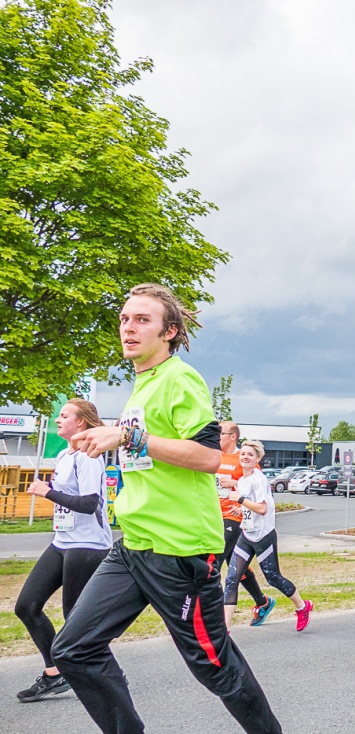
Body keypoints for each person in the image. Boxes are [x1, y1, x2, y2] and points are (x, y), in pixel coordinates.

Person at [54, 283, 281, 734]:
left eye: (142, 320)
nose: (128, 327)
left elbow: (208, 457)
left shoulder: (180, 377)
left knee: (213, 666)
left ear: (169, 331)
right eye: (124, 319)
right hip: (134, 545)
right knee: (73, 650)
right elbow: (151, 450)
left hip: (179, 551)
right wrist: (112, 437)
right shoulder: (143, 384)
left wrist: (128, 436)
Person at [15, 399, 112, 703]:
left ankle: (107, 676)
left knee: (76, 619)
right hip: (63, 541)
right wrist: (51, 491)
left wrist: (48, 492)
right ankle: (55, 672)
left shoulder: (89, 457)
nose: (58, 419)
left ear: (81, 422)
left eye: (64, 415)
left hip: (88, 544)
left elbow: (89, 504)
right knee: (27, 606)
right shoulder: (63, 454)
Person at [223, 440, 313, 632]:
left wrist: (239, 499)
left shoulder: (259, 480)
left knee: (272, 577)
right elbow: (249, 506)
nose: (245, 457)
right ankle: (224, 629)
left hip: (263, 537)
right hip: (247, 535)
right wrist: (239, 509)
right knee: (232, 578)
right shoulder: (242, 480)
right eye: (243, 454)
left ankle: (303, 607)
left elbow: (262, 509)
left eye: (250, 455)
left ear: (257, 459)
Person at [216, 422, 274, 626]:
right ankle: (263, 602)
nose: (217, 437)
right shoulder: (215, 455)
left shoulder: (243, 457)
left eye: (220, 433)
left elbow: (255, 487)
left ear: (232, 436)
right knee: (234, 565)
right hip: (215, 513)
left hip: (235, 515)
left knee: (215, 559)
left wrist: (233, 483)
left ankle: (212, 613)